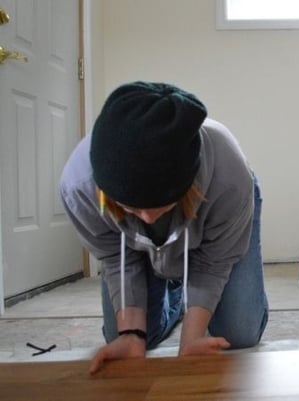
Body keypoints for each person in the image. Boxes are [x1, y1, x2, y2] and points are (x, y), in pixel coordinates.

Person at [60, 81, 269, 373]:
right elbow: (116, 259)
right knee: (132, 339)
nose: (145, 219)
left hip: (217, 229)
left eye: (160, 205)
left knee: (239, 334)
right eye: (132, 208)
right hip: (139, 244)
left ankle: (179, 287)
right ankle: (171, 289)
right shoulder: (79, 187)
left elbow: (213, 263)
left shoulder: (229, 178)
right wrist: (132, 334)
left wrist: (192, 339)